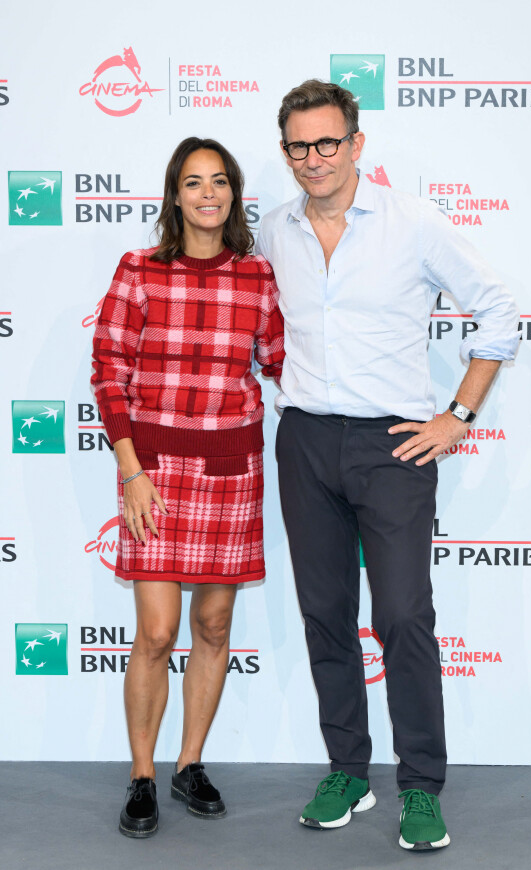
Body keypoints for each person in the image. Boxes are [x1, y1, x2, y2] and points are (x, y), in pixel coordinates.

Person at [256, 80, 518, 852]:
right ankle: (346, 770)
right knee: (324, 615)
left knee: (403, 615)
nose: (314, 158)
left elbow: (498, 310)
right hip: (305, 441)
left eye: (328, 142)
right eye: (300, 146)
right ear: (286, 152)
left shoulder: (413, 224)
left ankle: (421, 786)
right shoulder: (274, 231)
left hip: (395, 445)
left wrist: (458, 416)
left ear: (357, 144)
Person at [91, 137, 284, 838]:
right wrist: (131, 471)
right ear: (174, 195)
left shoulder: (259, 277)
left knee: (212, 625)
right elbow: (109, 370)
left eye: (221, 182)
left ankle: (188, 765)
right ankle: (142, 774)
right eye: (194, 182)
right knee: (155, 630)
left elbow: (285, 361)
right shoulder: (138, 269)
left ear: (233, 194)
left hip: (232, 470)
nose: (208, 194)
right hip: (154, 474)